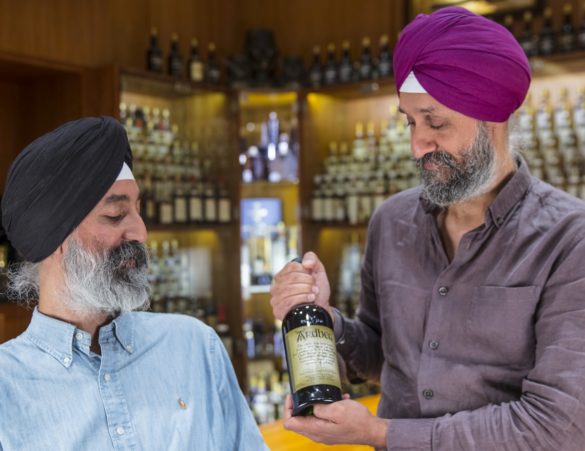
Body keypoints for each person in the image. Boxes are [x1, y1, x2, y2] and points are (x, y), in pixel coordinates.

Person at [270, 7, 585, 450]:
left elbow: (557, 427)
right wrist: (325, 319)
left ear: (492, 117)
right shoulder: (391, 221)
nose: (418, 145)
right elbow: (386, 358)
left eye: (435, 122)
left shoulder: (570, 239)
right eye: (410, 121)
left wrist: (381, 434)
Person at [0, 117, 267, 451]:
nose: (141, 233)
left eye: (138, 211)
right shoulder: (7, 386)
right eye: (116, 215)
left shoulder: (195, 347)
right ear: (55, 238)